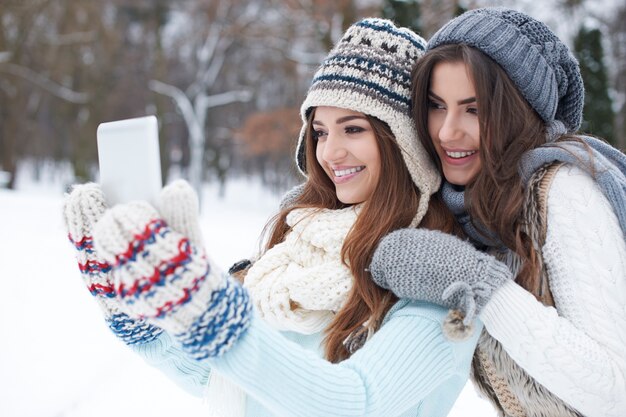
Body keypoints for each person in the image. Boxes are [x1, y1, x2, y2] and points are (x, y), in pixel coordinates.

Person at [63, 18, 481, 417]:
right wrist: (145, 321)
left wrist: (214, 315)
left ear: (403, 142)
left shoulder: (443, 278)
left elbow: (356, 400)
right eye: (320, 132)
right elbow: (223, 378)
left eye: (353, 129)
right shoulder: (298, 250)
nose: (330, 152)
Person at [370, 7, 626, 417]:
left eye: (474, 109)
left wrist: (482, 285)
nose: (448, 131)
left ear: (519, 112)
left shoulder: (563, 192)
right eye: (437, 106)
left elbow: (616, 391)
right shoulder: (471, 204)